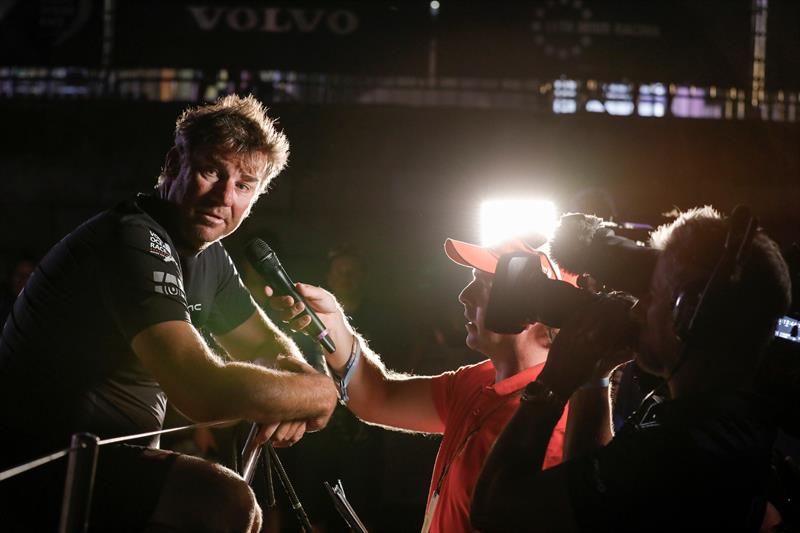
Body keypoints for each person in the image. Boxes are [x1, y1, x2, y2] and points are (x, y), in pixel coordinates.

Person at [0, 94, 338, 532]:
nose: (223, 196)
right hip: (40, 466)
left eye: (244, 185)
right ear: (175, 163)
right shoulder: (134, 238)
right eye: (212, 171)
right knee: (223, 502)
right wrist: (321, 393)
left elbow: (264, 346)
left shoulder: (210, 257)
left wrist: (296, 386)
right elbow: (199, 389)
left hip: (102, 462)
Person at [470, 206, 792, 532]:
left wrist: (556, 380)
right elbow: (591, 505)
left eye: (654, 294)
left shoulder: (678, 453)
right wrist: (593, 378)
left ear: (689, 316)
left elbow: (493, 510)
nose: (638, 308)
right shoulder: (720, 419)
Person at [270, 233, 573, 532]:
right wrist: (333, 321)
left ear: (533, 305)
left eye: (484, 283)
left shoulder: (551, 423)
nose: (464, 295)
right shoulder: (476, 381)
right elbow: (379, 397)